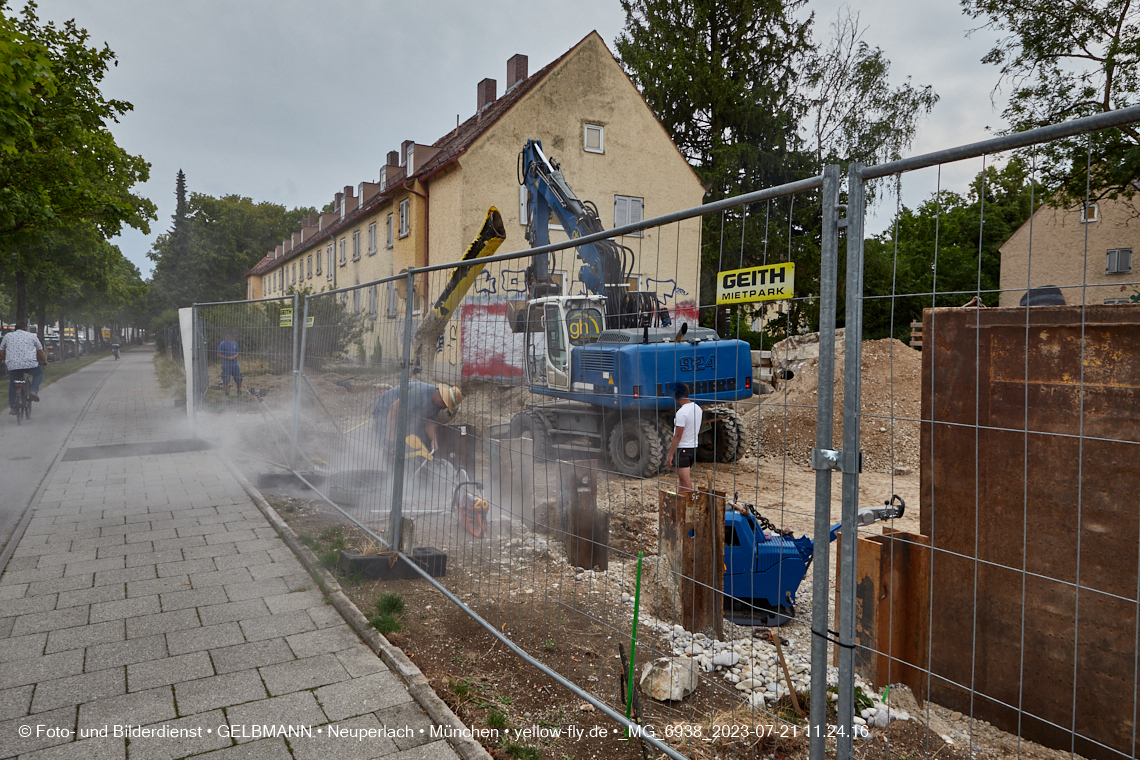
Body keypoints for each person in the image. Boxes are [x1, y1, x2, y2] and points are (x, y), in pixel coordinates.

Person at [373, 382, 461, 452]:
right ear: (442, 397)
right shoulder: (418, 392)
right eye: (445, 404)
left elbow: (430, 422)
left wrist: (434, 440)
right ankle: (383, 461)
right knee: (386, 441)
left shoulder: (437, 404)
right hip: (385, 408)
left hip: (402, 411)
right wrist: (391, 434)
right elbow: (394, 408)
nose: (444, 408)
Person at [0, 322, 47, 415]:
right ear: (26, 328)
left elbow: (2, 350)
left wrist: (5, 358)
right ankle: (33, 391)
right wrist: (44, 361)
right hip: (30, 364)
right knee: (39, 373)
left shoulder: (7, 336)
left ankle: (13, 407)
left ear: (15, 329)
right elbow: (40, 351)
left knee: (13, 383)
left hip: (13, 365)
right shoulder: (32, 336)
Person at [665, 382, 702, 491]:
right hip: (693, 447)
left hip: (683, 449)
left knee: (686, 481)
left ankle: (691, 505)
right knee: (681, 480)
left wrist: (670, 455)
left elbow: (677, 436)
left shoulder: (682, 412)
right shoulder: (697, 408)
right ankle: (680, 505)